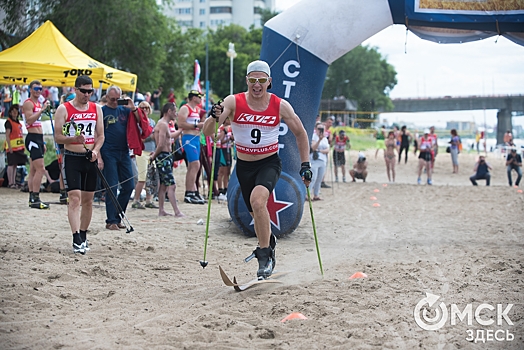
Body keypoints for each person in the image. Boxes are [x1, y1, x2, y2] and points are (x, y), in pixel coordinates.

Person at [202, 60, 311, 279]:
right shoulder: (233, 101)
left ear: (269, 82)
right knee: (256, 211)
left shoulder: (280, 105)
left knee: (258, 200)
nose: (257, 85)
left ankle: (264, 256)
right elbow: (207, 132)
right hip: (244, 166)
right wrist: (214, 117)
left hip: (269, 162)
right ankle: (269, 242)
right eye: (253, 80)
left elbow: (300, 133)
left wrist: (305, 164)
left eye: (262, 80)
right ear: (247, 81)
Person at [53, 75, 105, 254]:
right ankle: (75, 237)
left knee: (88, 201)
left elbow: (101, 136)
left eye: (90, 91)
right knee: (74, 198)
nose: (87, 94)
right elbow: (58, 136)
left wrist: (96, 151)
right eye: (83, 91)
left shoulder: (96, 108)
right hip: (72, 157)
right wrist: (73, 138)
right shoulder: (64, 109)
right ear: (75, 90)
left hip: (90, 158)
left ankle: (83, 235)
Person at [100, 85, 152, 230]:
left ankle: (117, 217)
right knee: (112, 186)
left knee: (129, 185)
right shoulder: (102, 111)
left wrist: (133, 107)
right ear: (106, 97)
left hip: (124, 151)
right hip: (108, 151)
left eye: (118, 99)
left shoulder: (126, 109)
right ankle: (111, 220)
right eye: (112, 99)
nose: (115, 102)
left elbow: (143, 123)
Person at [150, 103, 185, 217]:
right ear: (169, 111)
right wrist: (154, 155)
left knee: (164, 185)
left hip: (165, 155)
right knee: (171, 185)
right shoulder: (163, 124)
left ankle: (161, 210)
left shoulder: (164, 124)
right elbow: (160, 144)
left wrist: (180, 130)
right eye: (175, 111)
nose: (176, 113)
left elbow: (168, 137)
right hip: (163, 156)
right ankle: (177, 211)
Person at [23, 80, 51, 209]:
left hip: (38, 138)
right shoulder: (28, 103)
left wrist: (43, 141)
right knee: (41, 169)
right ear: (30, 89)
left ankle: (32, 197)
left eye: (40, 89)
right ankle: (35, 196)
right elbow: (29, 120)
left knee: (34, 170)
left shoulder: (38, 103)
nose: (38, 91)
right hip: (32, 137)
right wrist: (42, 110)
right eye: (35, 88)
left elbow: (39, 124)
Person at [178, 90, 205, 204]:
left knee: (193, 166)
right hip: (188, 138)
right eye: (199, 97)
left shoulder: (196, 110)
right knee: (195, 164)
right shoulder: (185, 108)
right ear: (194, 98)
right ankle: (189, 192)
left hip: (196, 139)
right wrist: (196, 125)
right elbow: (180, 123)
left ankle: (192, 191)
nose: (201, 99)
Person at [131, 101, 158, 209]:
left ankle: (149, 199)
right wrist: (150, 137)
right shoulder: (137, 122)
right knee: (142, 177)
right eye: (142, 108)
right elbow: (140, 138)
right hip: (142, 151)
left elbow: (155, 137)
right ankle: (136, 200)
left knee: (151, 177)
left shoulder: (152, 121)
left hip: (151, 151)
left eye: (147, 107)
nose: (145, 109)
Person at [4, 104, 27, 188]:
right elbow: (7, 135)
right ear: (10, 112)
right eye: (13, 111)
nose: (15, 113)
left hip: (18, 147)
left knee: (15, 165)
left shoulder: (18, 123)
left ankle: (13, 181)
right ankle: (10, 182)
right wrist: (9, 147)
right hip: (12, 147)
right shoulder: (8, 122)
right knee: (10, 164)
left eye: (16, 112)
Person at [309, 123, 330, 200]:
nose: (320, 131)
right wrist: (319, 140)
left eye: (322, 129)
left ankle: (316, 194)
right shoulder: (314, 137)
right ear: (316, 129)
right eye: (319, 129)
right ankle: (308, 194)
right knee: (313, 177)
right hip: (314, 159)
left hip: (323, 160)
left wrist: (320, 150)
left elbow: (327, 150)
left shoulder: (325, 138)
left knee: (319, 178)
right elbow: (314, 148)